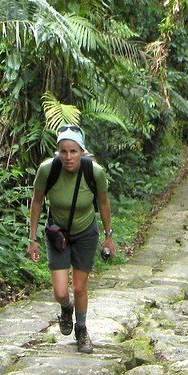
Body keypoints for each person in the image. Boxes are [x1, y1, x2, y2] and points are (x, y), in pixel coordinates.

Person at [28, 125, 115, 354]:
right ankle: (67, 308)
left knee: (79, 286)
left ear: (82, 152)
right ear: (57, 152)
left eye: (73, 151)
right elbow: (37, 201)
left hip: (85, 233)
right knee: (60, 292)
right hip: (57, 233)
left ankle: (82, 329)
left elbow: (103, 202)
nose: (68, 157)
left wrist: (109, 236)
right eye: (63, 151)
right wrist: (32, 239)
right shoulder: (48, 170)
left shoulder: (94, 172)